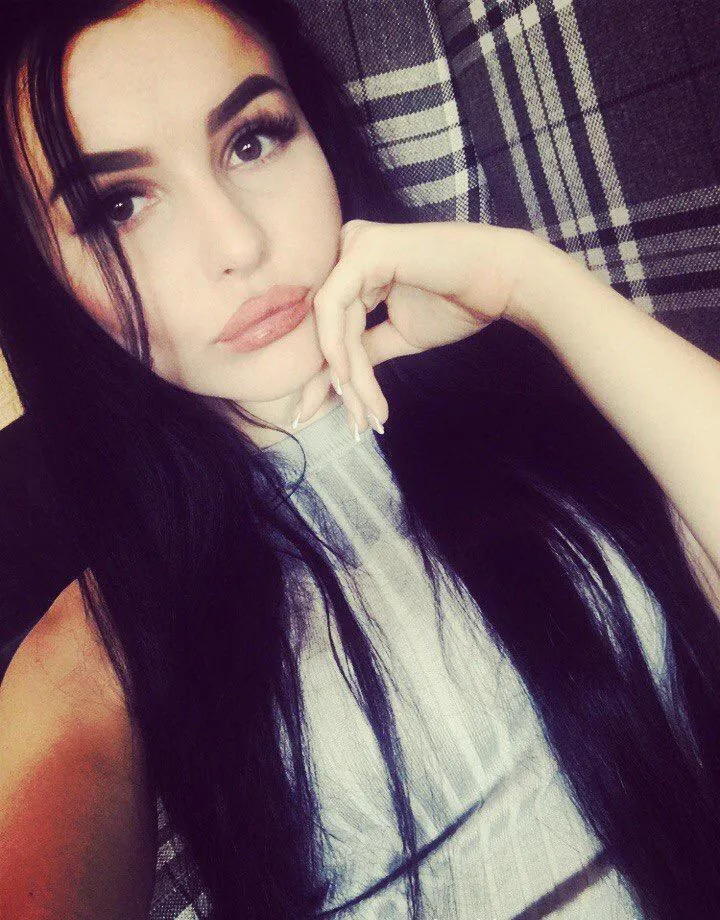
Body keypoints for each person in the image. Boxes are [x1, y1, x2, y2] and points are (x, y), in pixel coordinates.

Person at [0, 1, 719, 918]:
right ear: (45, 275)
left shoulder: (539, 385)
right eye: (120, 206)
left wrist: (535, 286)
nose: (239, 243)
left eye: (253, 141)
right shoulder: (99, 647)